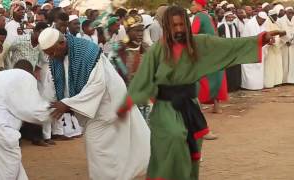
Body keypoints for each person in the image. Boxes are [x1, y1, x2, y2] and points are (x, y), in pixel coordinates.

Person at [117, 5, 282, 180]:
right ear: (167, 26)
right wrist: (126, 105)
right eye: (174, 25)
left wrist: (260, 39)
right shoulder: (156, 51)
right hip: (165, 108)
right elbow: (142, 80)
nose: (179, 29)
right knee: (174, 137)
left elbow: (228, 46)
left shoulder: (198, 44)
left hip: (190, 106)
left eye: (182, 25)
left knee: (192, 144)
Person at [38, 27, 150, 179]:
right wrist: (45, 106)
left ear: (62, 43)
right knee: (112, 146)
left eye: (52, 52)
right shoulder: (56, 58)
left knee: (96, 143)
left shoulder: (86, 51)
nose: (50, 57)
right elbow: (55, 84)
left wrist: (68, 104)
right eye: (47, 53)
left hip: (108, 104)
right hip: (92, 106)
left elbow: (97, 85)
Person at [0, 60, 51, 180]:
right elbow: (32, 111)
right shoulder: (25, 77)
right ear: (31, 72)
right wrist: (56, 110)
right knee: (7, 165)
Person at [192, 0, 228, 117]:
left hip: (205, 51)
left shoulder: (198, 16)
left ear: (199, 5)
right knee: (217, 76)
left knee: (200, 77)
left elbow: (193, 34)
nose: (191, 7)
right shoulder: (208, 15)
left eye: (193, 4)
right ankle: (216, 107)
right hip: (214, 50)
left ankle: (199, 108)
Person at [241, 12, 268, 90]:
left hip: (259, 50)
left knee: (258, 70)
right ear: (258, 18)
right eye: (262, 20)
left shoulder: (262, 24)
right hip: (249, 51)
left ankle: (258, 85)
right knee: (250, 69)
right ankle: (248, 86)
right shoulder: (250, 25)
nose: (262, 22)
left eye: (264, 21)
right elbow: (251, 39)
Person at [218, 11, 241, 92]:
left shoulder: (235, 26)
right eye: (229, 17)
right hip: (225, 52)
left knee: (235, 69)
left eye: (232, 17)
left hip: (234, 51)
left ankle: (235, 86)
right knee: (227, 70)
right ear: (226, 18)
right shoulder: (221, 27)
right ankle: (227, 88)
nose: (231, 19)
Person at [264, 9, 284, 88]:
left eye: (276, 15)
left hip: (277, 48)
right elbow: (267, 34)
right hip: (270, 48)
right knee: (270, 66)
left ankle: (277, 81)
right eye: (275, 16)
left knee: (277, 65)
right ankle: (269, 83)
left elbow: (278, 34)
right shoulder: (266, 23)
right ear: (270, 16)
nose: (276, 17)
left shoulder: (276, 23)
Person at [277, 7, 294, 84]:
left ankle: (291, 79)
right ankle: (284, 80)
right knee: (284, 62)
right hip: (284, 45)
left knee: (292, 62)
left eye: (292, 12)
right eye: (289, 12)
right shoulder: (280, 21)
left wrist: (292, 41)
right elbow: (279, 32)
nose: (290, 14)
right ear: (285, 12)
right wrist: (286, 41)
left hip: (293, 44)